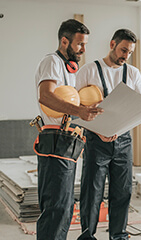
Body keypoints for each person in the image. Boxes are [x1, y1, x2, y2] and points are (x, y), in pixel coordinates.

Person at [75, 29, 141, 240]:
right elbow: (76, 107)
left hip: (123, 141)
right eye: (123, 50)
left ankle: (118, 235)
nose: (125, 56)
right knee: (91, 193)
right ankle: (87, 236)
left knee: (122, 191)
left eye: (129, 52)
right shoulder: (88, 70)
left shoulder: (132, 73)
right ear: (112, 44)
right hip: (96, 140)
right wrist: (98, 129)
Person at [34, 19, 103, 240]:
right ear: (65, 41)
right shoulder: (52, 62)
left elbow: (71, 105)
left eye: (85, 44)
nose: (84, 49)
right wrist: (79, 110)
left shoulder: (70, 69)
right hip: (55, 138)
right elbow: (46, 96)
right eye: (80, 44)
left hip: (68, 140)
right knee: (56, 207)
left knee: (64, 207)